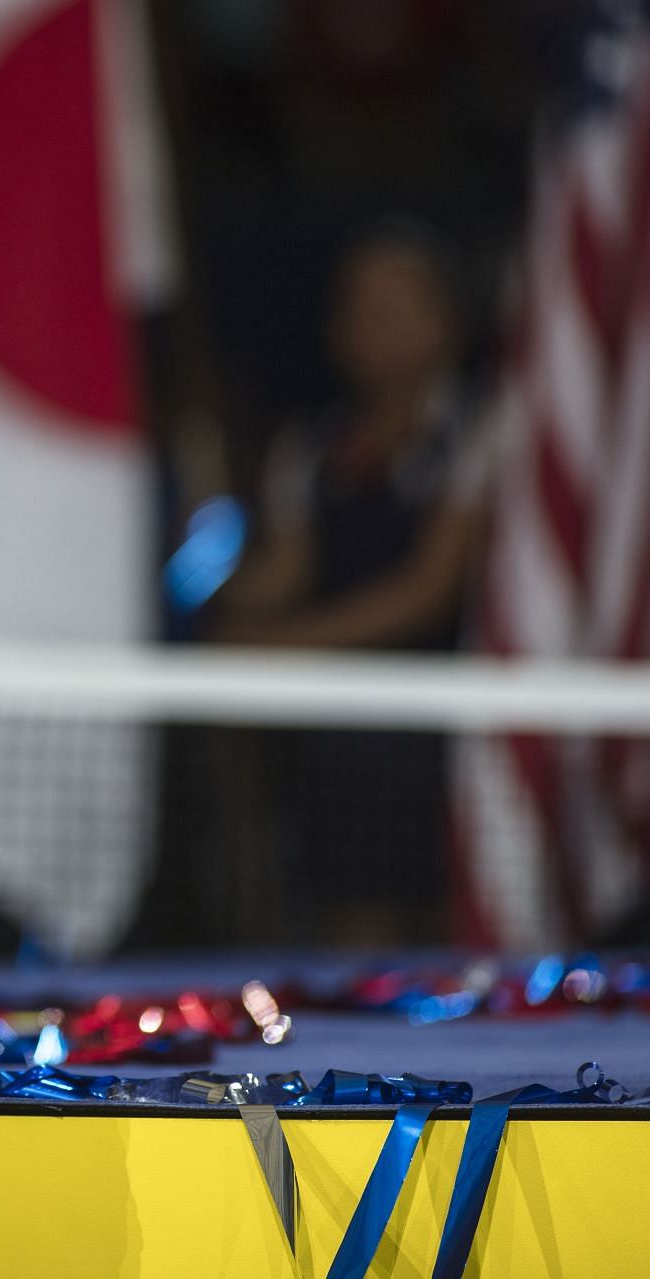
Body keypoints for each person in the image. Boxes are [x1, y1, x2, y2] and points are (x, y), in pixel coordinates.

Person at [216, 220, 488, 945]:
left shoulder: (490, 434)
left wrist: (278, 648)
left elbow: (428, 588)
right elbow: (285, 571)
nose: (374, 324)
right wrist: (212, 598)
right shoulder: (310, 450)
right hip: (347, 741)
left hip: (458, 735)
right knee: (357, 936)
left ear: (447, 320)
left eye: (399, 303)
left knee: (457, 940)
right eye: (358, 305)